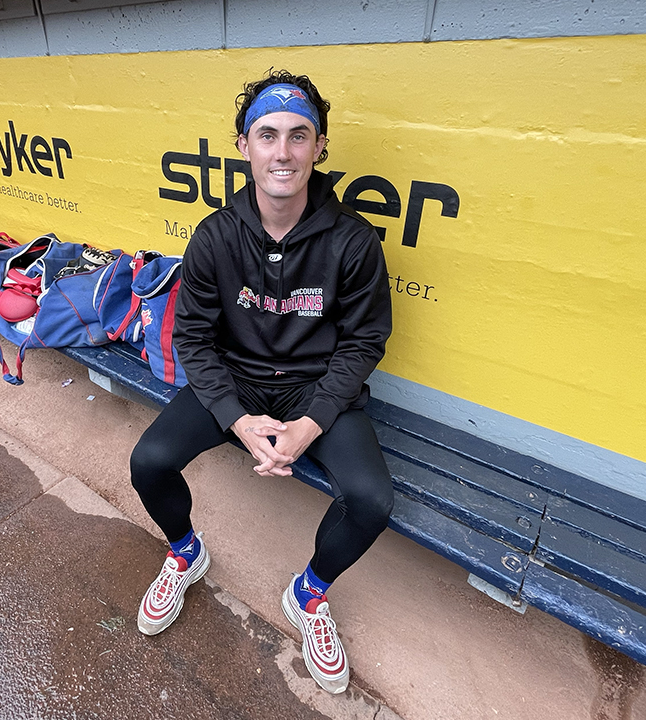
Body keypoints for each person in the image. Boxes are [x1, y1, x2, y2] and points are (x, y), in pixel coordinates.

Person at [129, 69, 393, 694]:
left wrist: (311, 422)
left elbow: (363, 342)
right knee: (149, 461)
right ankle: (185, 554)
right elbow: (191, 336)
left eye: (299, 136)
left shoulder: (354, 241)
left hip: (316, 389)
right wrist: (236, 418)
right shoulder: (216, 236)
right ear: (244, 145)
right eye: (267, 135)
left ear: (320, 147)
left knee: (372, 500)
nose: (283, 152)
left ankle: (309, 596)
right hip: (237, 383)